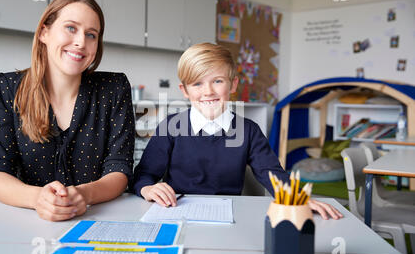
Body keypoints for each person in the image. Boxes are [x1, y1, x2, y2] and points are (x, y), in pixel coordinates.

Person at [131, 43, 342, 220]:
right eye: (197, 84)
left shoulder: (248, 131)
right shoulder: (170, 127)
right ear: (185, 91)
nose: (208, 92)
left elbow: (271, 173)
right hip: (176, 213)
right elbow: (144, 175)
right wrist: (147, 189)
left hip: (229, 216)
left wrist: (297, 198)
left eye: (218, 81)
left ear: (233, 85)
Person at [0, 0, 135, 221]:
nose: (81, 42)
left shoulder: (114, 88)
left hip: (97, 219)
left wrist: (84, 194)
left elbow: (119, 169)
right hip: (26, 222)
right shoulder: (10, 87)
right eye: (71, 28)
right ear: (44, 32)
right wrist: (38, 199)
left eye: (91, 34)